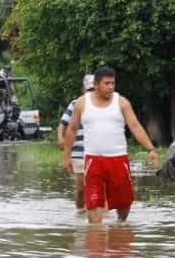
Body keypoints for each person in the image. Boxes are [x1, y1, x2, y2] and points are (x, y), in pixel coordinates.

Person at [63, 66, 159, 224]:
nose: (110, 87)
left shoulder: (121, 102)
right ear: (96, 84)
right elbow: (72, 129)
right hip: (93, 160)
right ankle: (95, 238)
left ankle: (121, 226)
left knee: (124, 203)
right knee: (94, 203)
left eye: (113, 83)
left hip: (118, 160)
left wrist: (151, 149)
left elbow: (135, 126)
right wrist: (66, 156)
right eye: (106, 83)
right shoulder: (82, 103)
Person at [58, 74, 95, 209]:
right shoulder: (76, 104)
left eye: (93, 89)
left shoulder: (105, 105)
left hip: (98, 152)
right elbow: (63, 124)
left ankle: (100, 221)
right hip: (79, 152)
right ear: (83, 90)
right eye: (89, 89)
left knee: (101, 189)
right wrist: (60, 137)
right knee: (81, 190)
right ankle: (79, 214)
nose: (91, 92)